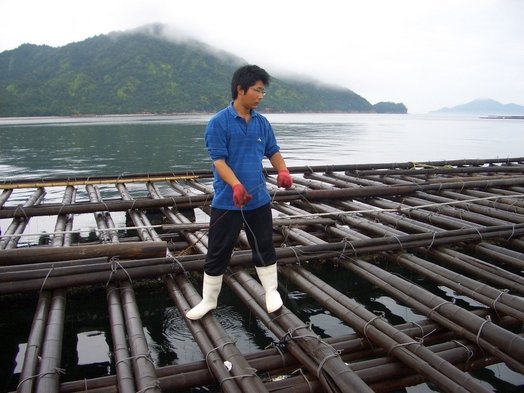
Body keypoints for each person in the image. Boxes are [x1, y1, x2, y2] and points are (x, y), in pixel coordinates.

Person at [186, 65, 293, 320]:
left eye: (262, 92)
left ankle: (271, 293)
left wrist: (283, 170)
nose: (260, 96)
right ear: (240, 90)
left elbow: (273, 151)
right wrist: (235, 185)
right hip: (227, 200)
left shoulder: (261, 122)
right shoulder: (218, 123)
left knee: (264, 245)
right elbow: (219, 161)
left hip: (258, 200)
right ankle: (208, 301)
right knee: (218, 251)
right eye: (257, 90)